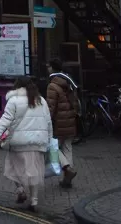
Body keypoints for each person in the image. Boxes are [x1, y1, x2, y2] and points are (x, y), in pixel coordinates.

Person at [0, 76, 52, 212]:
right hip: (37, 142)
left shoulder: (14, 100)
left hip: (18, 142)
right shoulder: (41, 100)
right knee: (33, 172)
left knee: (13, 167)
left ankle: (20, 190)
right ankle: (34, 201)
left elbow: (6, 118)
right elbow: (48, 121)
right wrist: (49, 138)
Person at [46, 58, 78, 188]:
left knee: (52, 147)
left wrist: (46, 122)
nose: (47, 68)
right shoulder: (68, 81)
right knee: (67, 147)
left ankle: (67, 168)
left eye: (49, 66)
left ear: (52, 68)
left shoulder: (52, 85)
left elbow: (51, 107)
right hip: (70, 120)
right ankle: (67, 179)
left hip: (59, 123)